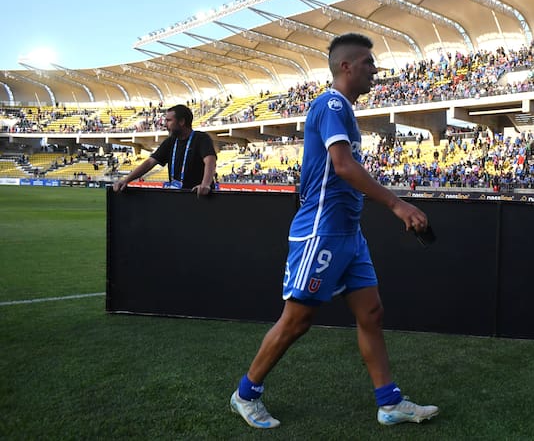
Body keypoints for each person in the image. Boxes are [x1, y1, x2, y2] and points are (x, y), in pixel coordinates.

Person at [229, 33, 438, 429]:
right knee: (297, 320)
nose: (374, 70)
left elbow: (345, 169)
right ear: (346, 66)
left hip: (348, 235)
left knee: (372, 313)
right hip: (321, 232)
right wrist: (397, 203)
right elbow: (341, 166)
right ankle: (246, 393)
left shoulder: (345, 112)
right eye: (367, 63)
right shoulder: (330, 104)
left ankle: (389, 402)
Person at [111, 104, 217, 195]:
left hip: (199, 196)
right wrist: (126, 180)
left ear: (181, 121)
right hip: (178, 197)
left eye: (169, 120)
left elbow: (210, 161)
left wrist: (205, 184)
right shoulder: (171, 141)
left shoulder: (201, 138)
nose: (165, 124)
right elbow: (149, 162)